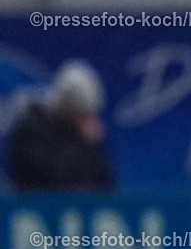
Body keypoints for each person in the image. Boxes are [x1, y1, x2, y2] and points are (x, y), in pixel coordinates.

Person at [8, 59, 115, 191]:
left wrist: (94, 146)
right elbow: (55, 182)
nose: (87, 120)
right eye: (82, 114)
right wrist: (86, 146)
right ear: (66, 107)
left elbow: (105, 183)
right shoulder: (29, 131)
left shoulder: (87, 135)